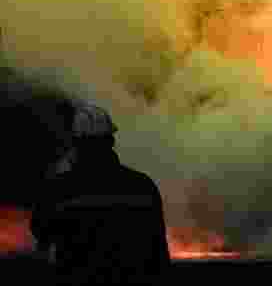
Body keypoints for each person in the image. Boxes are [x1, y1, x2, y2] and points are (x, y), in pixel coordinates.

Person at [30, 103, 172, 284]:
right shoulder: (143, 186)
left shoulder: (60, 189)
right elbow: (158, 249)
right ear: (112, 142)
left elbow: (41, 232)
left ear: (76, 144)